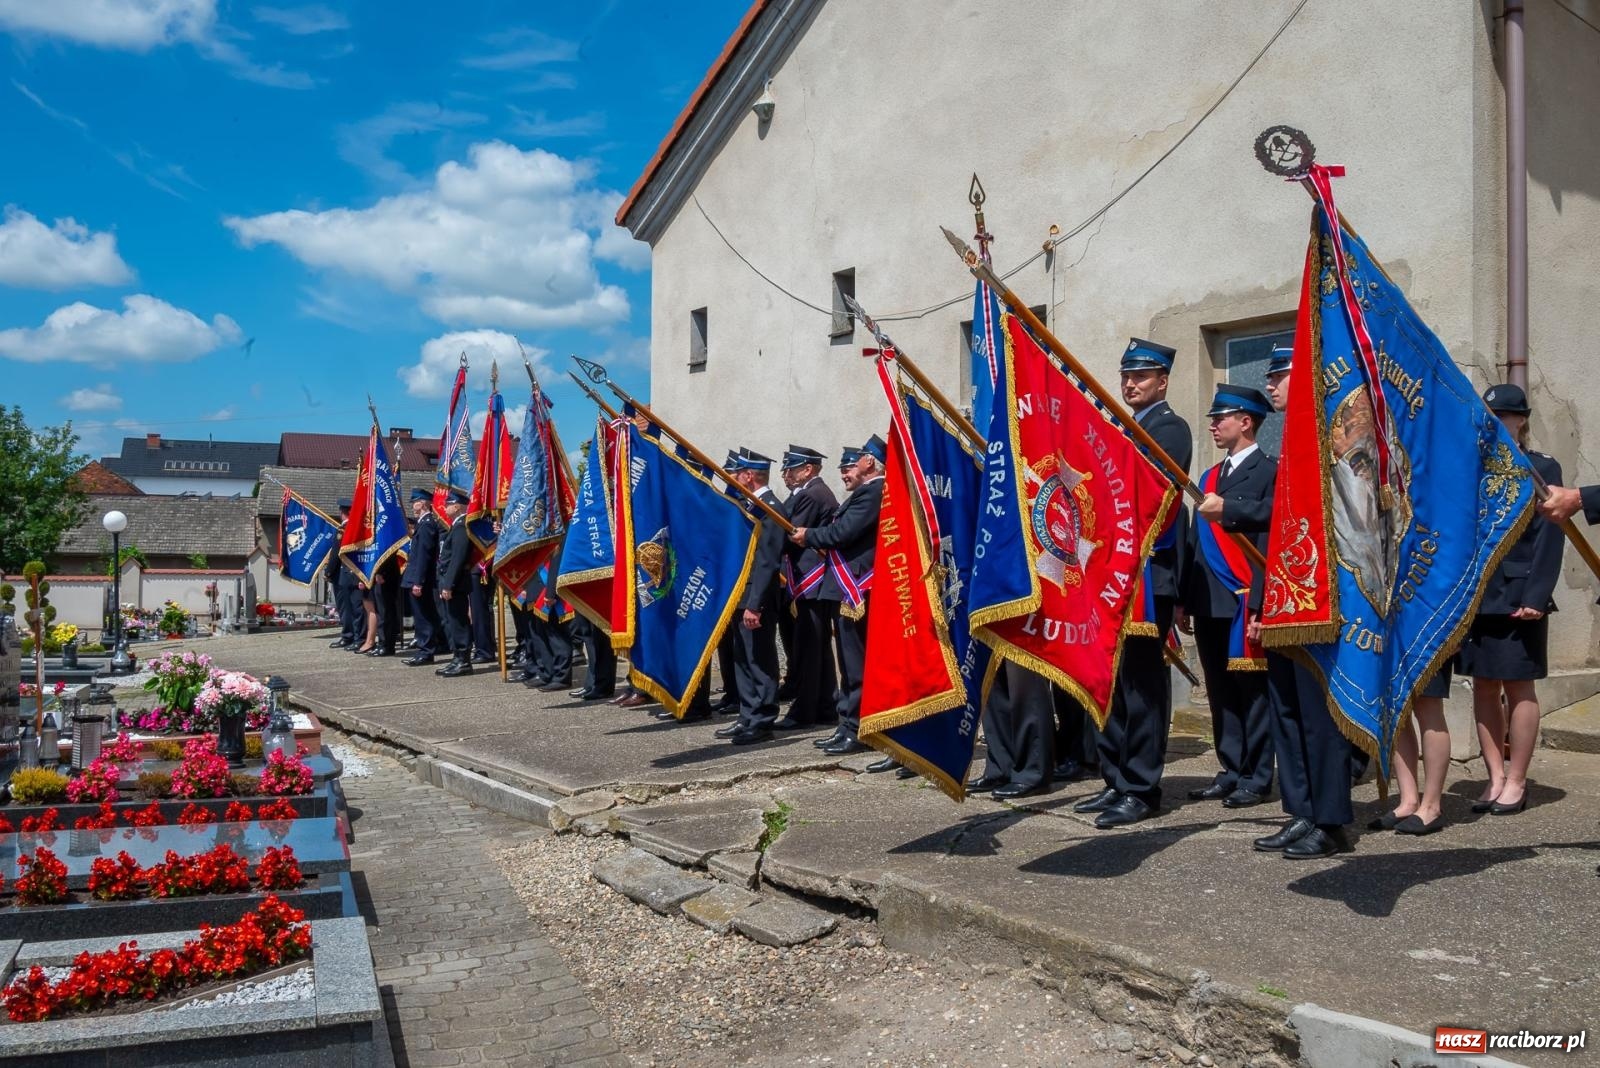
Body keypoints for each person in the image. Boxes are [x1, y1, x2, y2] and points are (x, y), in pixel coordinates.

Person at [1238, 343, 1355, 857]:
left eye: (1280, 375)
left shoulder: (1329, 437)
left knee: (1316, 716)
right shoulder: (1290, 439)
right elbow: (1276, 539)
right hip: (1284, 595)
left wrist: (1233, 509)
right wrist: (1262, 604)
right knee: (1285, 711)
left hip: (1317, 600)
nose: (1270, 384)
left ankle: (1330, 822)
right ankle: (1301, 811)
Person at [1078, 338, 1192, 829]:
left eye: (1141, 376)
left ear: (1162, 381)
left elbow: (1148, 491)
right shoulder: (1121, 428)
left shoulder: (1169, 428)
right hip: (1112, 573)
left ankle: (1141, 787)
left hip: (1148, 575)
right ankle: (1115, 777)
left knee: (1142, 686)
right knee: (1111, 682)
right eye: (1126, 376)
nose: (1130, 384)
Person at [1463, 384, 1564, 815]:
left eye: (1502, 416)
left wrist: (1536, 595)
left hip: (1519, 594)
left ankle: (1517, 780)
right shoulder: (1472, 466)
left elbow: (1549, 537)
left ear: (1520, 420)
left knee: (1519, 686)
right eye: (1488, 416)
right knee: (1483, 685)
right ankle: (1495, 777)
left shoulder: (1540, 467)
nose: (1494, 423)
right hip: (1477, 594)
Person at [1181, 384, 1277, 809]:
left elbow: (1268, 543)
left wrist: (1260, 604)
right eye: (1213, 418)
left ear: (1246, 422)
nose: (1213, 425)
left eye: (1221, 418)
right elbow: (1196, 541)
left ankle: (1257, 776)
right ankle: (1231, 768)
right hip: (1209, 600)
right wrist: (1184, 599)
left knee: (1252, 693)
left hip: (1244, 599)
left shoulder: (1270, 471)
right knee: (1220, 691)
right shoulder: (1209, 478)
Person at [791, 436, 886, 755]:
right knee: (847, 662)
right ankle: (846, 724)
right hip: (847, 588)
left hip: (857, 587)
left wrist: (809, 535)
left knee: (855, 664)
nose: (845, 472)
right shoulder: (865, 493)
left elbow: (843, 533)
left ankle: (857, 728)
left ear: (869, 462)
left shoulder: (874, 492)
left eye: (851, 465)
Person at [711, 449, 786, 746]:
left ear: (749, 475)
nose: (732, 478)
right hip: (741, 596)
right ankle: (748, 714)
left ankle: (763, 720)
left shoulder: (769, 509)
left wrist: (755, 605)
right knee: (742, 659)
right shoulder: (750, 506)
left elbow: (767, 563)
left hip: (757, 599)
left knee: (759, 660)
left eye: (737, 473)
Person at [774, 445, 839, 732]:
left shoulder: (812, 495)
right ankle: (824, 705)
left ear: (808, 469)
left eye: (791, 469)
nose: (786, 474)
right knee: (815, 647)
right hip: (808, 581)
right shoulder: (805, 493)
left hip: (812, 580)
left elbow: (789, 533)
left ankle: (805, 710)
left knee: (809, 647)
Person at [1371, 666, 1453, 835]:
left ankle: (1431, 807)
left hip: (1429, 648)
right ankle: (1409, 801)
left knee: (1427, 702)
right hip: (1392, 648)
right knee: (1394, 704)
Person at [402, 489, 446, 666]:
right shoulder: (423, 523)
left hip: (420, 578)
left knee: (423, 616)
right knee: (423, 614)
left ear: (423, 503)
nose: (413, 506)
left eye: (415, 502)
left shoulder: (427, 524)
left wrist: (418, 581)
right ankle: (426, 648)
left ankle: (426, 651)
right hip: (416, 576)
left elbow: (424, 555)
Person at [434, 490, 475, 677]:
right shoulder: (456, 526)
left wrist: (448, 584)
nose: (445, 507)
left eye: (448, 504)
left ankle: (463, 660)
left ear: (457, 506)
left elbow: (457, 559)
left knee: (458, 621)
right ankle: (457, 657)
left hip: (456, 584)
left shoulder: (461, 527)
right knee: (452, 620)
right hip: (450, 582)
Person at [327, 499, 359, 649]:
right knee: (353, 607)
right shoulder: (356, 528)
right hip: (352, 573)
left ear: (342, 513)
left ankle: (348, 636)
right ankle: (354, 635)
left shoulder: (343, 530)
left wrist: (329, 571)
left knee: (345, 607)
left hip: (342, 573)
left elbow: (336, 554)